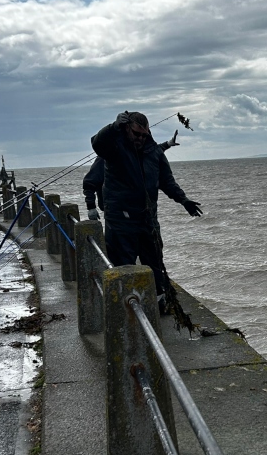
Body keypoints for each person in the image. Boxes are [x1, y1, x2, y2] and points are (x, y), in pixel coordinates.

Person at [83, 111, 202, 309]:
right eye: (136, 134)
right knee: (122, 262)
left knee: (154, 259)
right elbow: (97, 144)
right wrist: (113, 127)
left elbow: (167, 181)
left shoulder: (154, 152)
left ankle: (158, 300)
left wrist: (183, 200)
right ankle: (122, 306)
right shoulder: (114, 149)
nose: (139, 139)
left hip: (148, 218)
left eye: (143, 135)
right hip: (120, 219)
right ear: (127, 129)